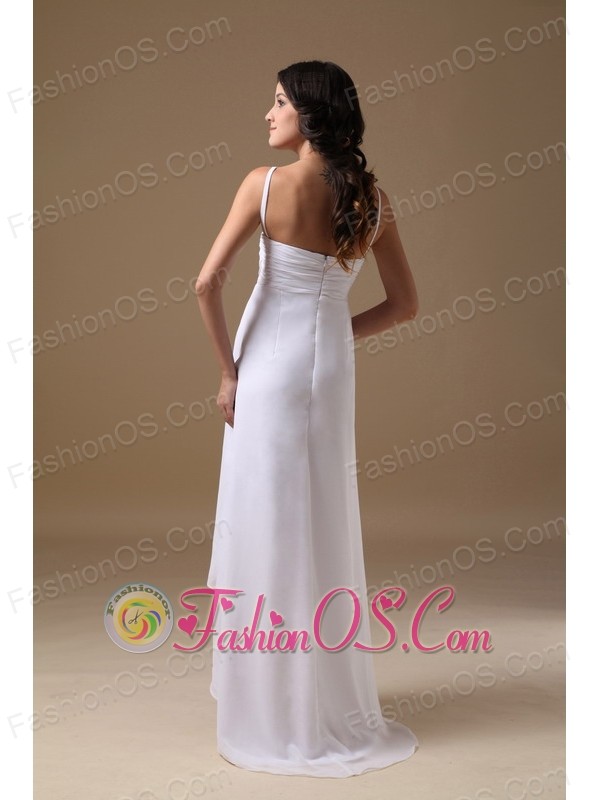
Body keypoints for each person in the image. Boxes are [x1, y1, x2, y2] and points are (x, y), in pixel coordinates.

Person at [195, 60, 419, 778]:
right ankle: (318, 699)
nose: (269, 114)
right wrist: (332, 337)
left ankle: (269, 706)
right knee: (320, 519)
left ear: (310, 114)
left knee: (266, 521)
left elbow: (205, 283)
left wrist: (229, 372)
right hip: (328, 373)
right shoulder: (371, 197)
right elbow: (405, 305)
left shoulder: (264, 184)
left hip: (268, 371)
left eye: (279, 102)